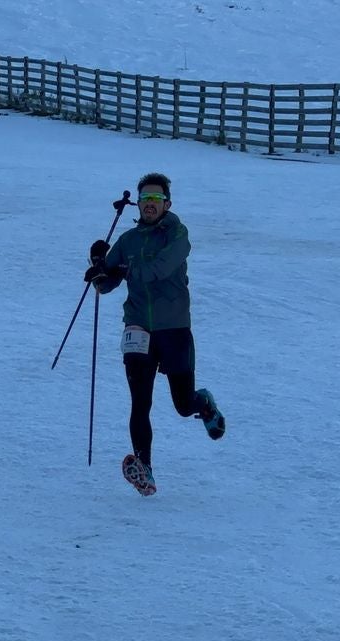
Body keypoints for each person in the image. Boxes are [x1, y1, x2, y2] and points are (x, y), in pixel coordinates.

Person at [84, 172, 225, 496]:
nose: (150, 205)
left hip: (174, 328)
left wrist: (122, 269)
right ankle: (144, 467)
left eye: (156, 200)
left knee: (182, 403)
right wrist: (98, 266)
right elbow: (106, 285)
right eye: (145, 199)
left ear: (167, 204)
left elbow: (160, 269)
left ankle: (202, 404)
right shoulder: (129, 241)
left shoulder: (177, 234)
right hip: (137, 327)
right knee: (140, 402)